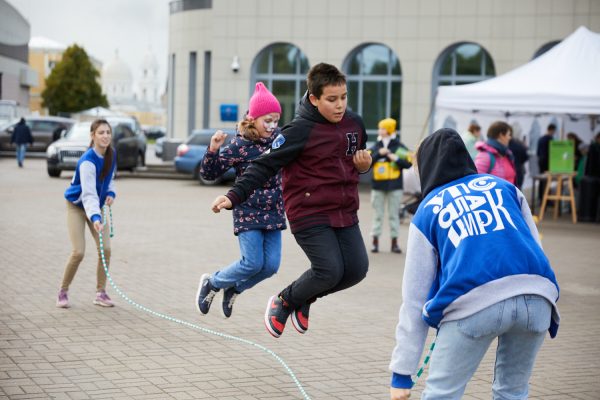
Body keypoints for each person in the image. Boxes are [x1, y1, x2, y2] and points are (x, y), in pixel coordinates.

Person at [389, 128, 560, 400]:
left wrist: (401, 374)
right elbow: (535, 248)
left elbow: (414, 296)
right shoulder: (506, 189)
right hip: (537, 297)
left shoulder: (429, 208)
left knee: (441, 394)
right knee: (512, 392)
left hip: (474, 302)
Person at [211, 63, 372, 338]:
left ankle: (304, 299)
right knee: (329, 270)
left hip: (345, 211)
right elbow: (263, 165)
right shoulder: (298, 131)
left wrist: (364, 166)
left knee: (356, 270)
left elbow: (356, 160)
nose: (339, 105)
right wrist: (233, 196)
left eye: (343, 97)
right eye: (331, 99)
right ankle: (284, 301)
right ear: (314, 98)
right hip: (309, 213)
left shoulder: (354, 125)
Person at [195, 82, 286, 318]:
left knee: (271, 266)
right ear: (253, 118)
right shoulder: (240, 145)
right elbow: (209, 173)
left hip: (274, 210)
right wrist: (213, 149)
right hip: (247, 211)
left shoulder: (280, 141)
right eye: (267, 120)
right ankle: (213, 283)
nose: (272, 125)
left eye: (276, 120)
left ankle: (235, 288)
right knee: (252, 263)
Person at [56, 119, 117, 309]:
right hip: (77, 206)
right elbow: (89, 194)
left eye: (108, 132)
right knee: (78, 252)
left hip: (95, 207)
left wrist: (110, 193)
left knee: (105, 249)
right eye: (101, 132)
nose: (105, 136)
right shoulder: (87, 162)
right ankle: (63, 291)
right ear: (93, 136)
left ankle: (101, 293)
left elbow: (109, 179)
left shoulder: (111, 155)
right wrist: (96, 218)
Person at [368, 118, 412, 254]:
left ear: (389, 130)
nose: (380, 130)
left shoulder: (398, 146)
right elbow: (367, 162)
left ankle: (395, 243)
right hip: (378, 186)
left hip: (395, 186)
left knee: (394, 215)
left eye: (382, 128)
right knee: (377, 215)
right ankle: (375, 242)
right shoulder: (377, 146)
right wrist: (377, 154)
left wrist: (396, 158)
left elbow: (409, 163)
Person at [536, 123, 557, 201]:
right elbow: (553, 153)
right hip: (547, 163)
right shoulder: (550, 139)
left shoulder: (541, 139)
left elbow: (538, 152)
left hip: (541, 161)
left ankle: (541, 197)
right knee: (548, 181)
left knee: (542, 180)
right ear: (552, 130)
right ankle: (546, 199)